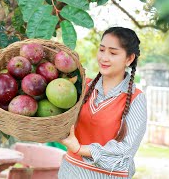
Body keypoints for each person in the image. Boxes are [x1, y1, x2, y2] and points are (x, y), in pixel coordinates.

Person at [58, 27, 147, 179]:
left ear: (129, 59)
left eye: (113, 53)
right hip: (69, 173)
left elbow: (125, 152)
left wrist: (80, 149)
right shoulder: (82, 87)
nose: (104, 58)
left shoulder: (136, 98)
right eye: (101, 50)